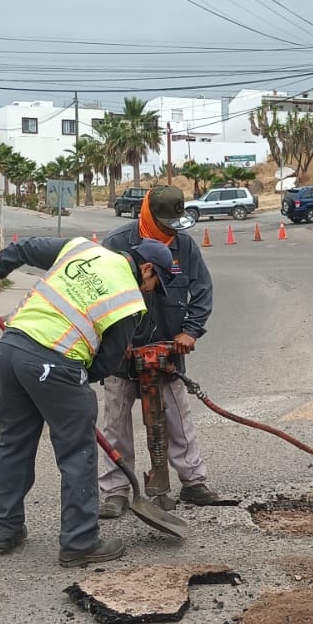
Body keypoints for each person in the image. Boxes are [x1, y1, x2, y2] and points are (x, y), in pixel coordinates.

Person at [0, 234, 178, 567]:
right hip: (55, 361)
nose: (152, 290)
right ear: (146, 268)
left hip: (12, 347)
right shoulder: (129, 301)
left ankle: (5, 529)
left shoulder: (82, 248)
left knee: (15, 443)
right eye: (155, 282)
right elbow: (107, 362)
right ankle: (79, 542)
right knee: (78, 452)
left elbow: (21, 249)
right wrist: (76, 381)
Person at [96, 185, 221, 519]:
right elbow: (99, 298)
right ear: (147, 212)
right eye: (163, 222)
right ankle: (115, 491)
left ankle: (193, 482)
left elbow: (202, 292)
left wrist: (190, 331)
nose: (169, 229)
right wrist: (112, 343)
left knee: (179, 420)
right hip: (122, 354)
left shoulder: (185, 246)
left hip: (167, 354)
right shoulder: (117, 244)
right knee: (116, 425)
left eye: (173, 223)